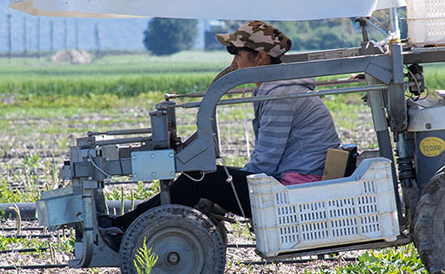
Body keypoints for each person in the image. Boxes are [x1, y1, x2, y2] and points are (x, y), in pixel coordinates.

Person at [104, 20, 340, 245]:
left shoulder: (281, 97)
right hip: (289, 180)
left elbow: (265, 164)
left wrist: (224, 187)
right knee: (202, 178)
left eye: (238, 55)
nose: (234, 63)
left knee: (199, 179)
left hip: (292, 189)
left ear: (260, 57)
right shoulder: (275, 90)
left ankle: (125, 226)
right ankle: (128, 223)